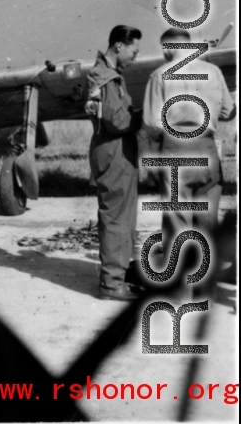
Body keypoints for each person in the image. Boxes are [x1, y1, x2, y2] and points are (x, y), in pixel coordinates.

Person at [139, 27, 236, 242]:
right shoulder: (214, 72)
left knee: (177, 217)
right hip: (207, 147)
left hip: (175, 148)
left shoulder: (159, 75)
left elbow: (150, 123)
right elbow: (229, 112)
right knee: (207, 218)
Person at [86, 25, 142, 301]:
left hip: (119, 151)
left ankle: (119, 272)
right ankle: (111, 285)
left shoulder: (110, 75)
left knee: (124, 217)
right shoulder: (105, 76)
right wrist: (147, 116)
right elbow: (117, 120)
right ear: (119, 46)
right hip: (114, 150)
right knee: (117, 218)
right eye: (134, 50)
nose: (136, 56)